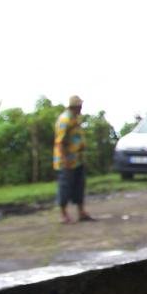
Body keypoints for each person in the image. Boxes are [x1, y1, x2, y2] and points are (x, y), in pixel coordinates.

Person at [54, 94, 94, 223]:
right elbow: (60, 142)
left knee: (79, 185)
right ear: (75, 106)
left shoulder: (75, 119)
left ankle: (81, 212)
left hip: (78, 159)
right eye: (80, 106)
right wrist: (64, 160)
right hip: (66, 161)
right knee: (65, 186)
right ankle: (63, 214)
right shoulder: (64, 120)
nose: (81, 108)